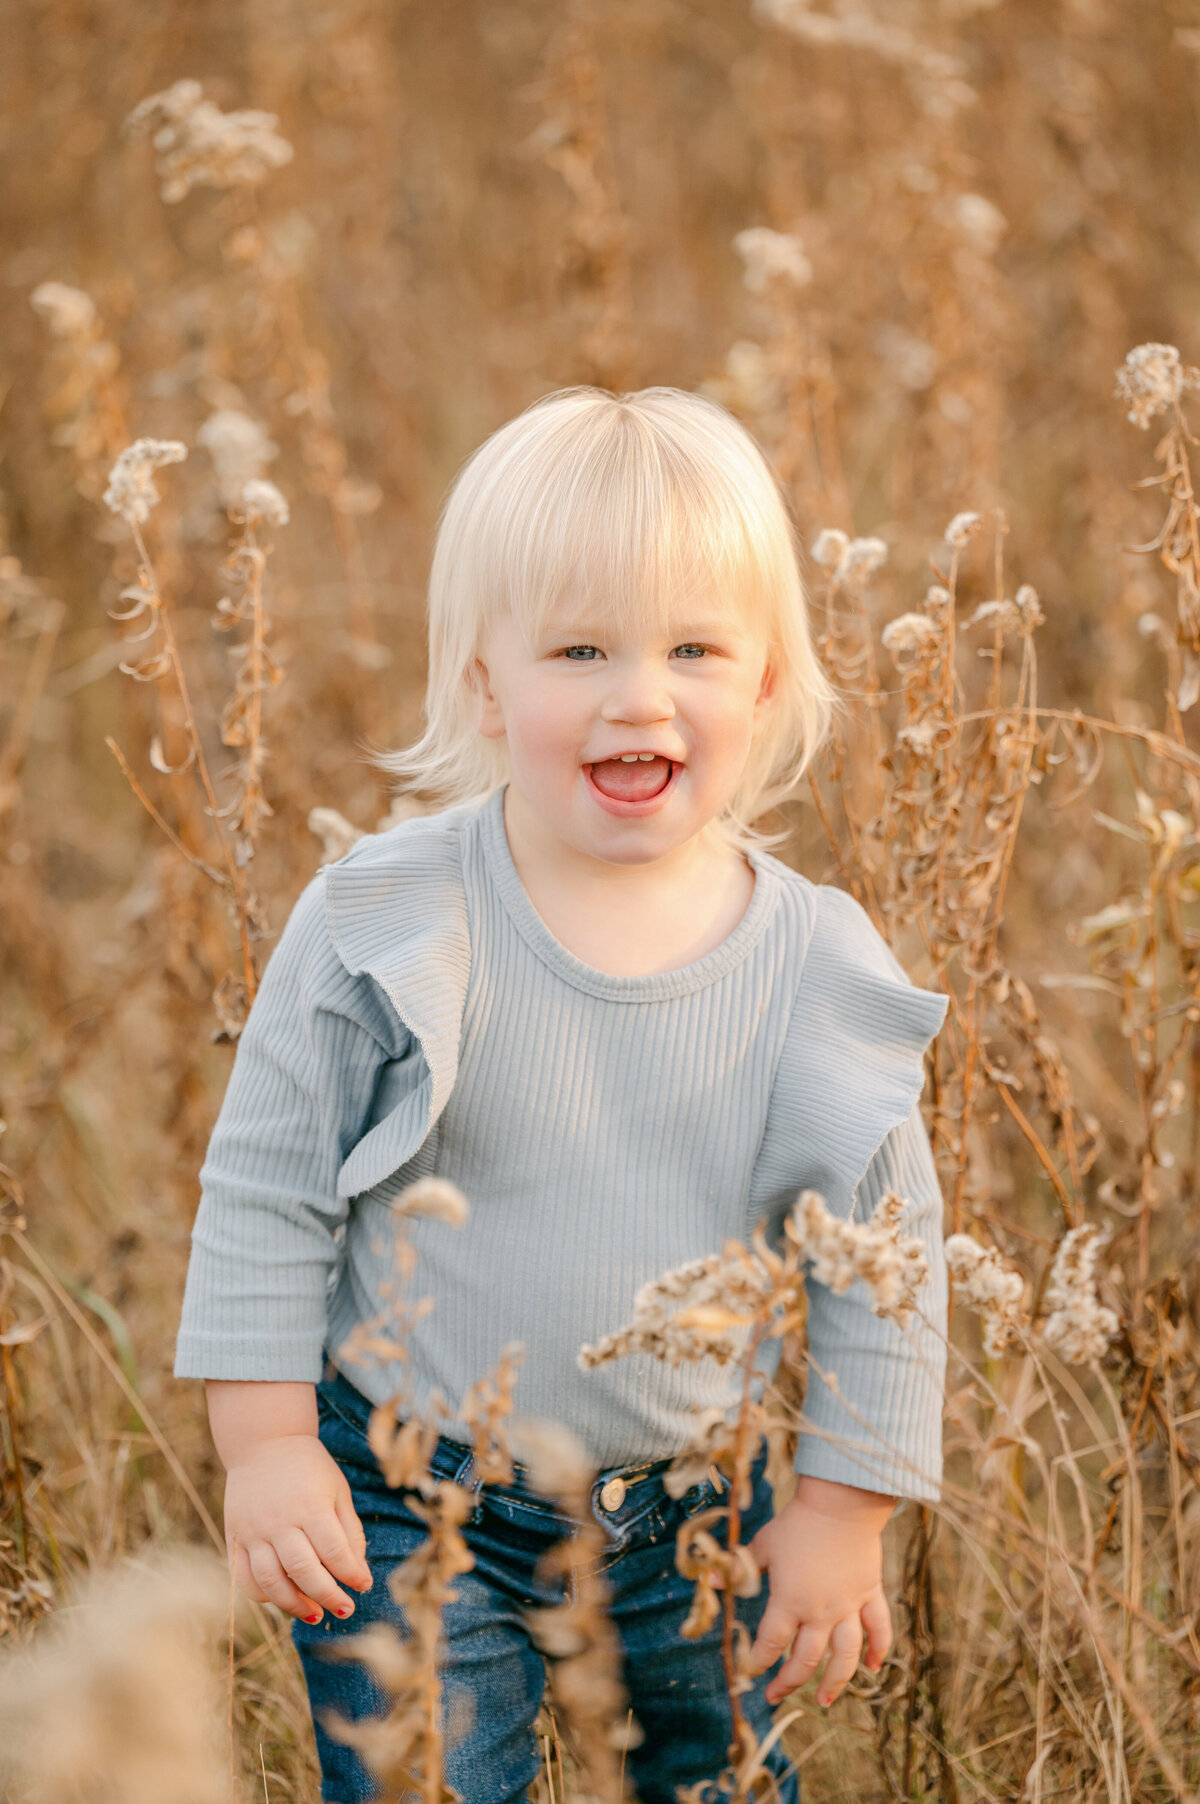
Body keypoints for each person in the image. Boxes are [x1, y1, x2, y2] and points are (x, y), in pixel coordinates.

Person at [175, 386, 950, 1804]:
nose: (639, 695)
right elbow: (268, 1185)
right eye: (579, 648)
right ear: (484, 682)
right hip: (406, 1494)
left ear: (768, 681)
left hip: (692, 1507)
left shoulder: (812, 960)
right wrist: (270, 1445)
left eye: (696, 649)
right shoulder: (389, 916)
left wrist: (844, 1510)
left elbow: (884, 1255)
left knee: (711, 1785)